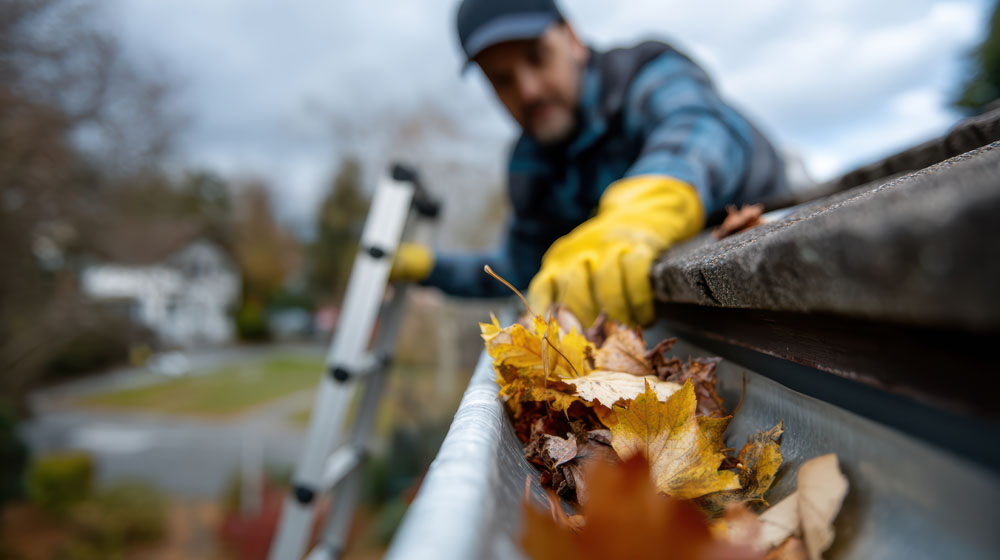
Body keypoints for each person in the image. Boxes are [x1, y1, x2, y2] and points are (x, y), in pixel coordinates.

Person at [390, 0, 788, 326]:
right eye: (503, 79)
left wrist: (644, 210)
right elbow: (518, 269)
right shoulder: (529, 170)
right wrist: (427, 267)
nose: (528, 90)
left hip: (775, 297)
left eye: (536, 57)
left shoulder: (642, 74)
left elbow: (703, 126)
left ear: (573, 40)